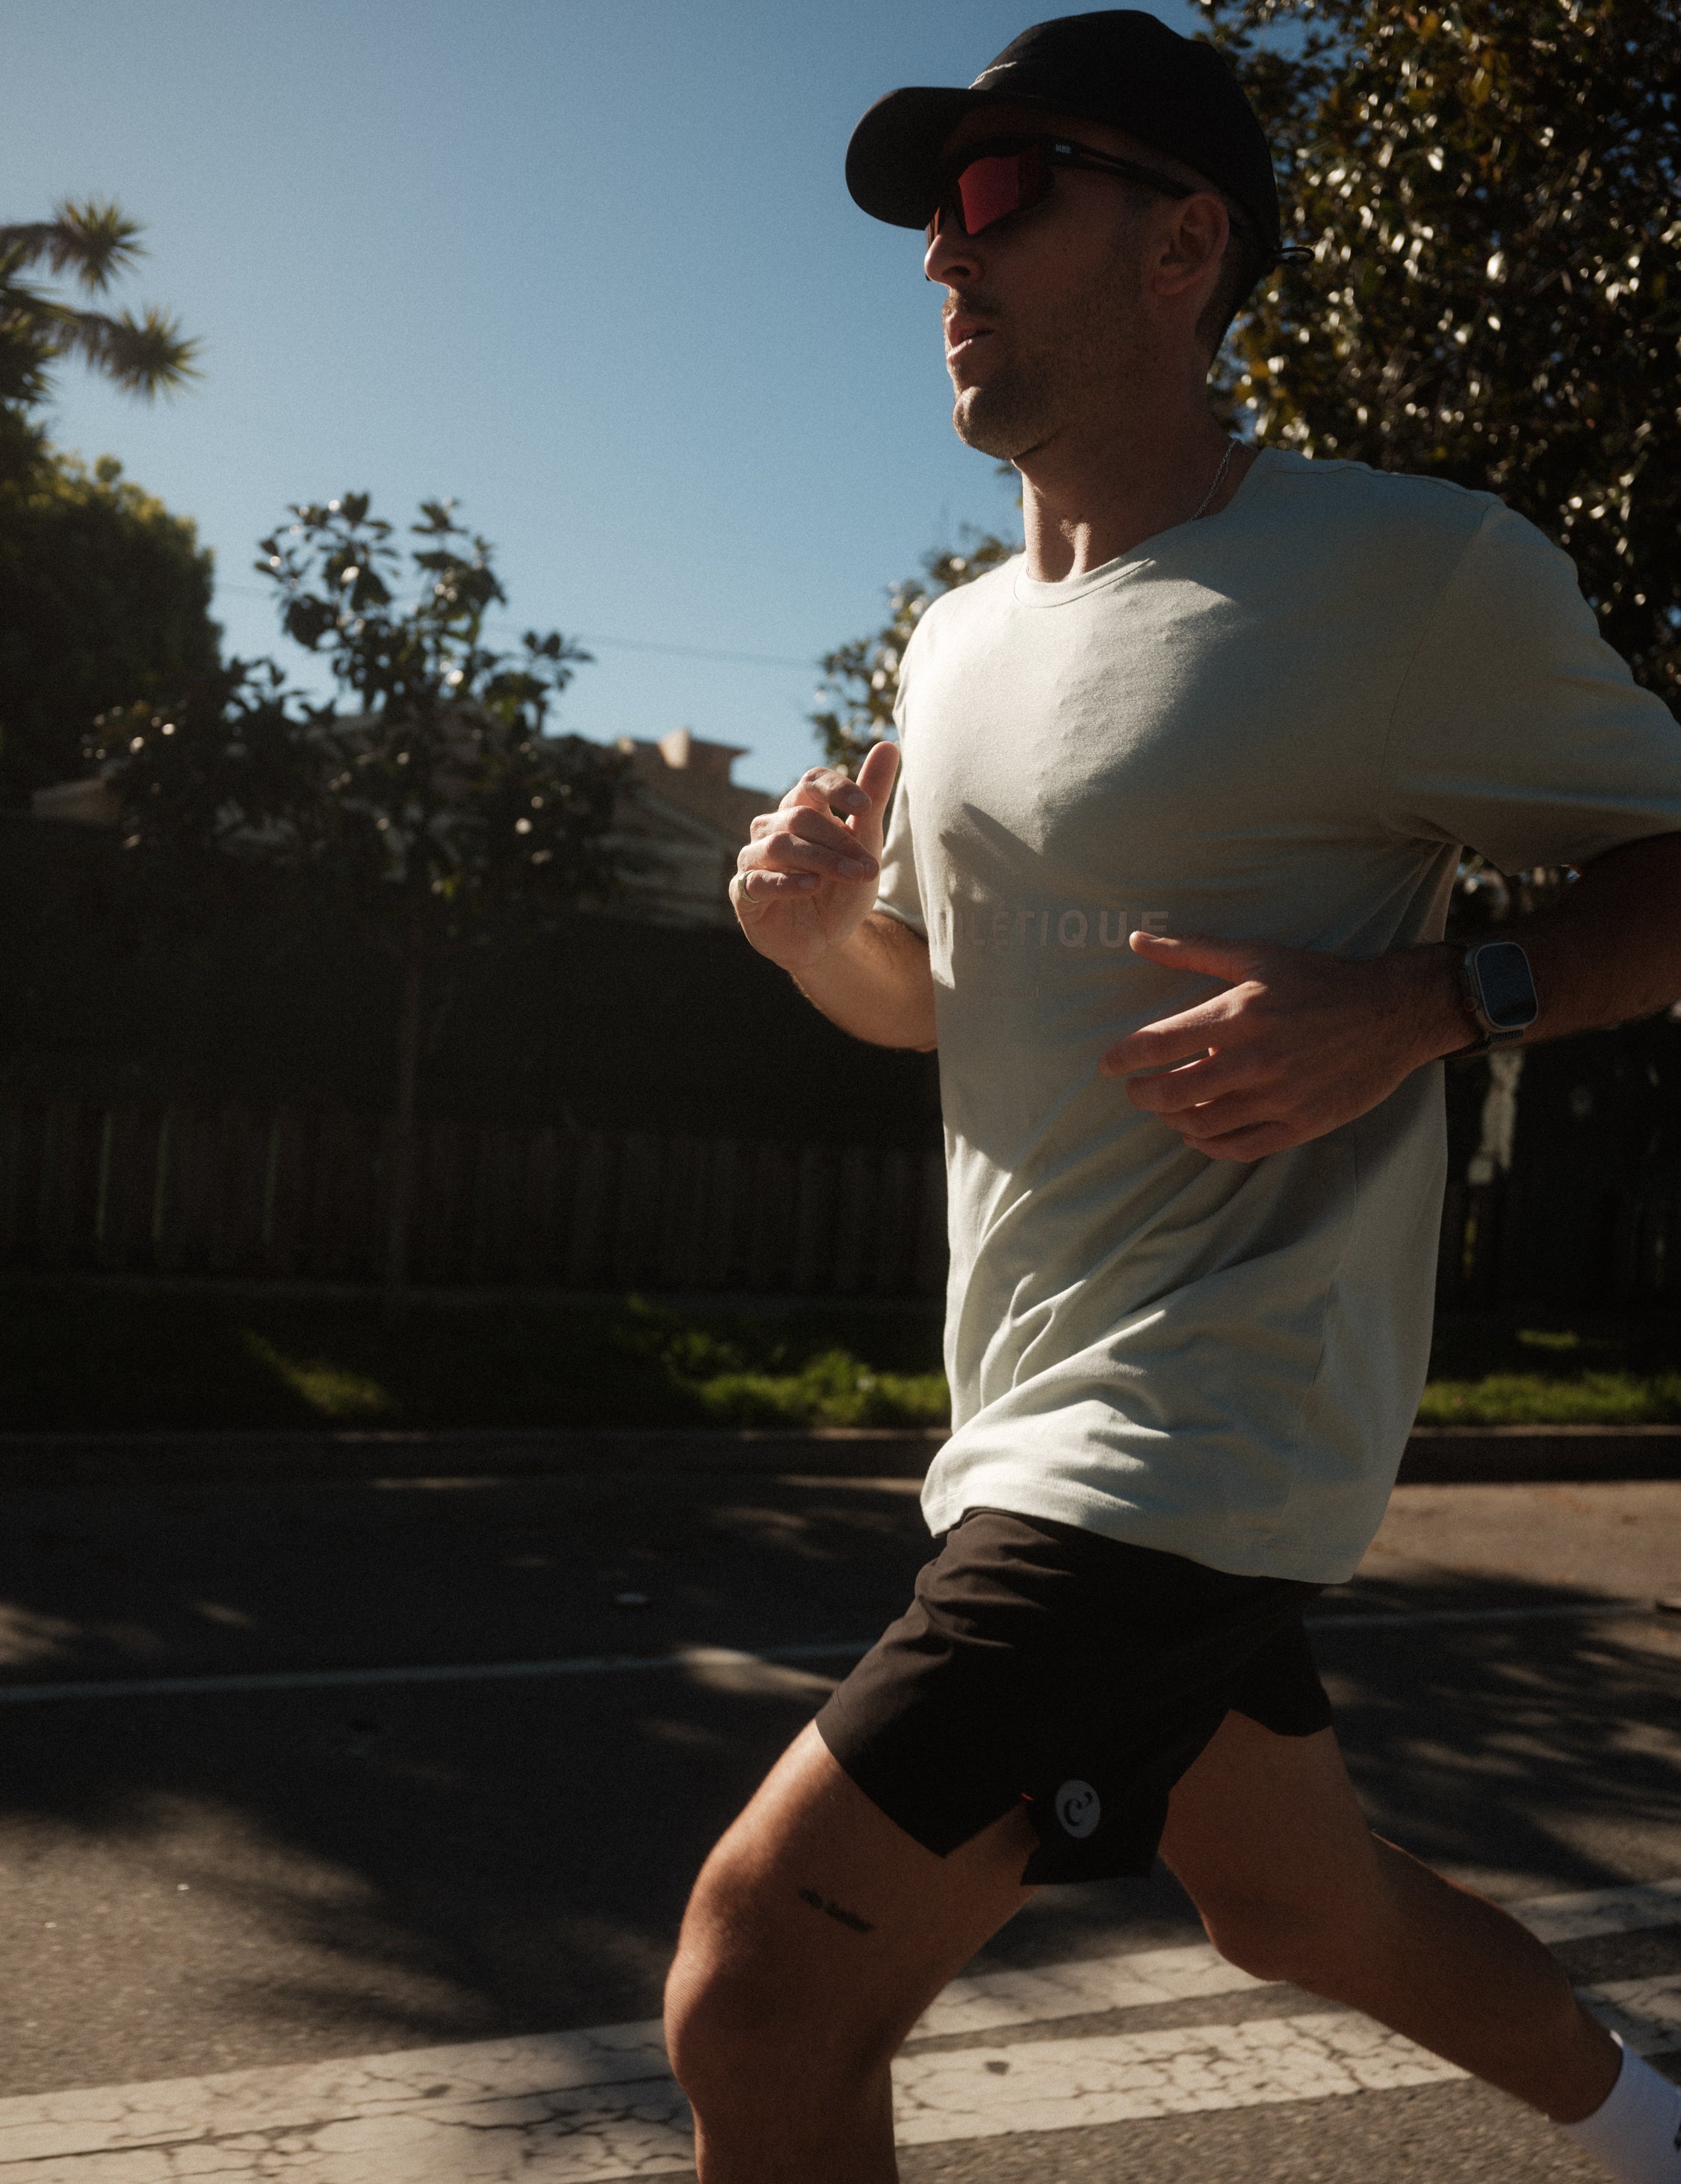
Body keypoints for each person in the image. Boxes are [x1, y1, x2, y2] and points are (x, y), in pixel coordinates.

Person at [663, 14, 1681, 2181]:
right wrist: (813, 937)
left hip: (1197, 1430)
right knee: (1298, 1901)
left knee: (759, 1989)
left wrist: (1424, 1001)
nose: (944, 256)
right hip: (1028, 1400)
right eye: (934, 217)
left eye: (998, 191)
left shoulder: (1411, 574)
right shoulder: (953, 646)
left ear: (1182, 245)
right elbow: (937, 1006)